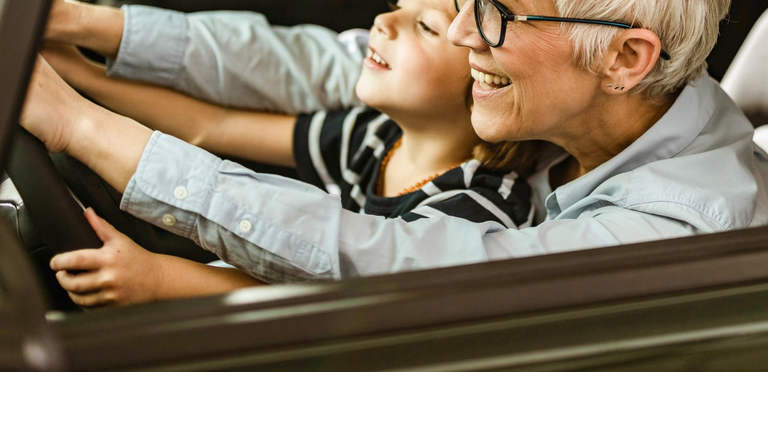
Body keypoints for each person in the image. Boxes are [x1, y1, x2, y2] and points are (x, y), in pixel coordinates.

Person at [21, 0, 768, 298]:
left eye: (498, 16)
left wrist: (81, 127)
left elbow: (393, 265)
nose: (466, 34)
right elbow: (324, 62)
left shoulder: (677, 231)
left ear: (627, 60)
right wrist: (85, 26)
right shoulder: (571, 96)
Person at [33, 0, 534, 306]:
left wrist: (160, 278)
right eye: (396, 5)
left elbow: (332, 303)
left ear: (482, 75)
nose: (382, 21)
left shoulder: (478, 212)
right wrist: (77, 75)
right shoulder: (377, 134)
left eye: (424, 26)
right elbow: (212, 127)